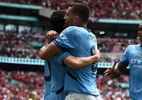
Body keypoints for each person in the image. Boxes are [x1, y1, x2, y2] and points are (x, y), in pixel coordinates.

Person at [39, 3, 103, 100]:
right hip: (66, 94)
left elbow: (43, 53)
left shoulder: (69, 36)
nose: (66, 17)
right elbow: (74, 63)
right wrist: (94, 58)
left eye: (67, 15)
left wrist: (46, 44)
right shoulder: (92, 36)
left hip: (71, 93)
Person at [104, 22, 142, 100]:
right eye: (140, 29)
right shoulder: (131, 49)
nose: (140, 32)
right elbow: (119, 72)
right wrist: (112, 71)